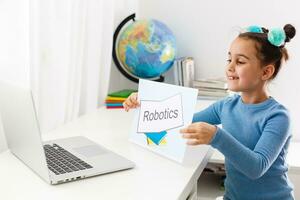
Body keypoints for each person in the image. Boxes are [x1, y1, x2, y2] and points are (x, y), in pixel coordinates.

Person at [123, 24, 296, 200]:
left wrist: (216, 136)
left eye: (240, 61)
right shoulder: (225, 106)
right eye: (229, 60)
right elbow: (180, 122)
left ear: (266, 72)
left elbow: (256, 167)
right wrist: (145, 104)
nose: (230, 67)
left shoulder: (278, 117)